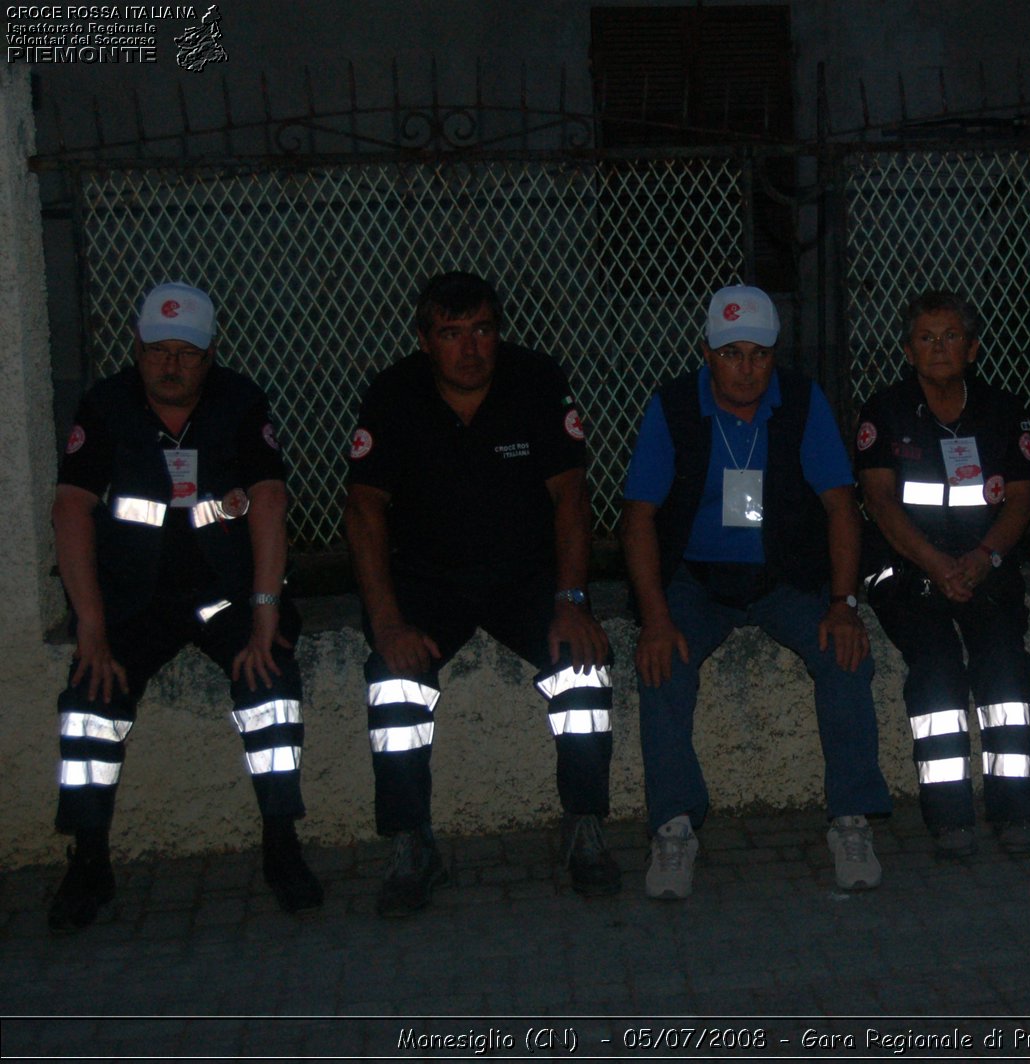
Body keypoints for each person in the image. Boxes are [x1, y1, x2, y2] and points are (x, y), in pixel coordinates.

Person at [49, 282, 322, 931]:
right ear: (137, 348)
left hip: (223, 596)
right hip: (135, 601)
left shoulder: (239, 400)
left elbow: (269, 501)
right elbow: (71, 509)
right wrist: (90, 626)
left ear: (210, 355)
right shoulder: (107, 405)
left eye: (188, 353)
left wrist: (264, 616)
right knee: (89, 702)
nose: (171, 366)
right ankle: (88, 858)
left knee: (272, 684)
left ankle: (281, 843)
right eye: (159, 351)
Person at [344, 271, 618, 914]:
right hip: (428, 582)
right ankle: (412, 841)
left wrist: (572, 601)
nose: (470, 349)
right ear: (424, 341)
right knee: (392, 681)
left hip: (525, 578)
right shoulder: (394, 393)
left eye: (483, 331)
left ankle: (583, 824)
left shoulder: (537, 380)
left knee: (584, 671)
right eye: (450, 334)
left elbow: (571, 497)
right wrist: (386, 621)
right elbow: (363, 510)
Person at [620, 284, 893, 899]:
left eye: (759, 354)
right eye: (731, 353)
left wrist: (843, 604)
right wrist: (656, 616)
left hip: (783, 577)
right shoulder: (671, 406)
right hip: (698, 579)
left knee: (847, 655)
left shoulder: (800, 402)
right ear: (709, 353)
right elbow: (638, 516)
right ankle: (673, 826)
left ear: (775, 355)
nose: (746, 368)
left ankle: (850, 818)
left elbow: (840, 506)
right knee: (661, 666)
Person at [855, 290, 1030, 857]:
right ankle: (950, 817)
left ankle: (1015, 811)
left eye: (951, 336)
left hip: (986, 570)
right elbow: (880, 503)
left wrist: (983, 560)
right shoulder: (883, 412)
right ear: (909, 351)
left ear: (973, 347)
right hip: (910, 573)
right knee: (936, 671)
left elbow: (1021, 500)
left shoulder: (1004, 410)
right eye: (927, 338)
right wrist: (936, 565)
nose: (939, 348)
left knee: (1006, 666)